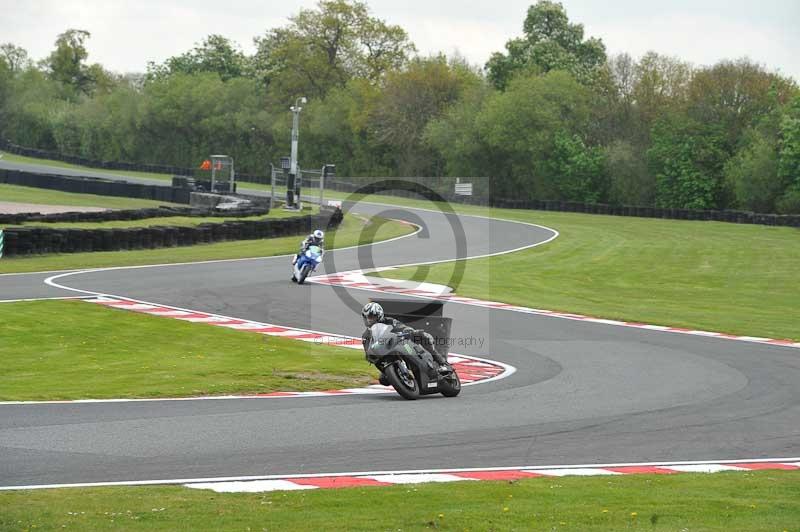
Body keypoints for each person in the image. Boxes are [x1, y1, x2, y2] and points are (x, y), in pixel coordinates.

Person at [361, 302, 452, 380]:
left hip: (399, 344)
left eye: (371, 317)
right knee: (383, 379)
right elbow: (367, 349)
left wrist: (409, 331)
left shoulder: (390, 321)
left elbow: (401, 327)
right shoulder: (366, 335)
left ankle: (441, 363)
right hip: (385, 355)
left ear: (379, 315)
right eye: (367, 318)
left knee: (420, 336)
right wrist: (369, 355)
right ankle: (401, 377)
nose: (369, 320)